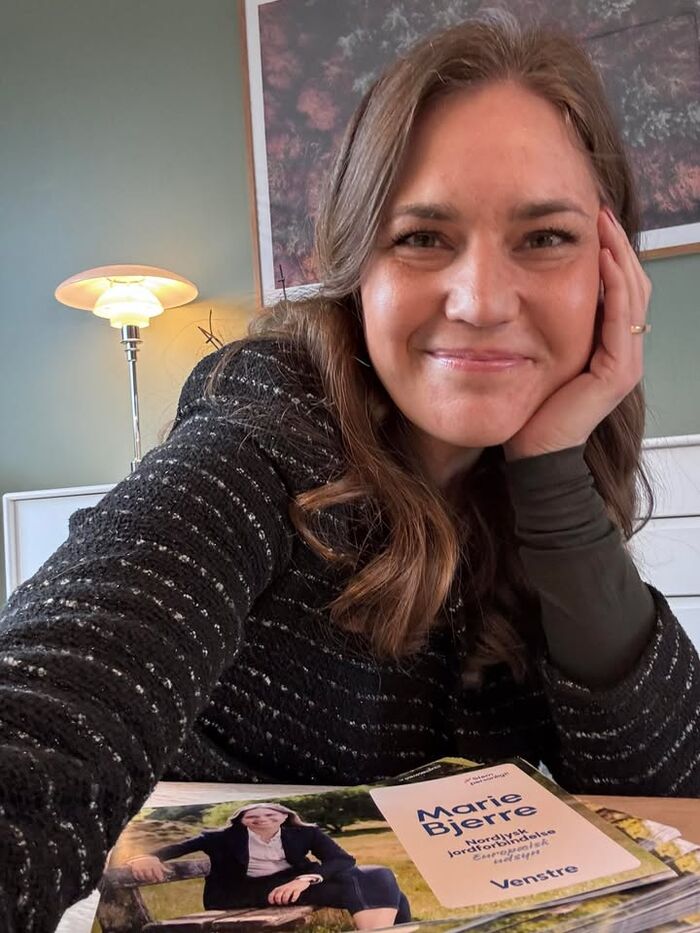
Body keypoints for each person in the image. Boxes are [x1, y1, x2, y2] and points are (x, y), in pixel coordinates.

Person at [1, 13, 699, 933]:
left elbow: (670, 788)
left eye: (544, 238)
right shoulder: (262, 439)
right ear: (355, 269)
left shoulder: (541, 479)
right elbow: (44, 728)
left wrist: (553, 469)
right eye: (422, 237)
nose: (482, 301)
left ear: (611, 276)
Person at [127, 802, 411, 928]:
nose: (261, 819)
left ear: (284, 817)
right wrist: (146, 856)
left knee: (379, 877)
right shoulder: (220, 837)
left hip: (291, 885)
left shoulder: (305, 833)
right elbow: (176, 847)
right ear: (241, 820)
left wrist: (304, 879)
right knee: (382, 886)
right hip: (242, 892)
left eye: (269, 814)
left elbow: (342, 860)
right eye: (253, 816)